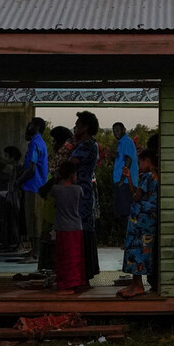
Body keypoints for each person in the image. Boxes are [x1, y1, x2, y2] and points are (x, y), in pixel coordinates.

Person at [118, 149, 159, 298]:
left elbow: (135, 197)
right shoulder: (154, 177)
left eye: (141, 162)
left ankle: (138, 285)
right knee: (140, 251)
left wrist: (129, 180)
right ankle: (135, 283)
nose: (140, 166)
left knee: (137, 251)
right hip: (146, 220)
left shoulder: (148, 176)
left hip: (141, 221)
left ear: (147, 161)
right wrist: (129, 179)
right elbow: (136, 193)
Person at [37, 126, 76, 271]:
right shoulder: (58, 159)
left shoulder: (64, 161)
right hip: (51, 205)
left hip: (55, 207)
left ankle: (50, 270)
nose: (52, 144)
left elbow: (56, 178)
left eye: (54, 141)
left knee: (51, 238)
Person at [70, 111, 100, 284]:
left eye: (78, 124)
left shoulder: (86, 145)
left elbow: (70, 164)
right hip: (83, 191)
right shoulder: (88, 144)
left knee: (81, 231)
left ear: (86, 127)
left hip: (82, 193)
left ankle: (82, 273)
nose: (75, 128)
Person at [49, 160, 86, 294]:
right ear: (72, 175)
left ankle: (66, 284)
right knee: (75, 257)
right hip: (76, 226)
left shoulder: (56, 189)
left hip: (62, 227)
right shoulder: (78, 190)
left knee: (63, 257)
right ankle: (75, 282)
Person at [18, 117, 49, 261]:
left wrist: (19, 181)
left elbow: (31, 168)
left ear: (36, 127)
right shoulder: (38, 142)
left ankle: (36, 252)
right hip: (35, 185)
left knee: (34, 218)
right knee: (32, 219)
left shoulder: (35, 143)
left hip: (34, 186)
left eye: (30, 124)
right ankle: (33, 250)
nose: (27, 127)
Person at [112, 122, 139, 221]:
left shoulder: (127, 141)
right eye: (114, 131)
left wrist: (122, 180)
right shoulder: (122, 142)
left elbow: (128, 160)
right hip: (122, 182)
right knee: (120, 212)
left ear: (124, 129)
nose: (116, 133)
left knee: (125, 213)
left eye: (118, 130)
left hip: (126, 183)